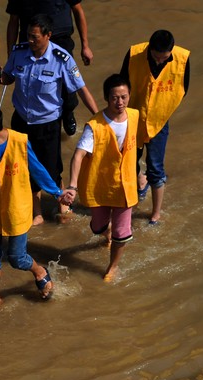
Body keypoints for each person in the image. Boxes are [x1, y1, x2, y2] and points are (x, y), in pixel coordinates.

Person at [0, 12, 98, 225]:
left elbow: (81, 89)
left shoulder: (62, 59)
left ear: (48, 35)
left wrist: (99, 119)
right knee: (25, 166)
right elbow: (9, 77)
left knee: (52, 167)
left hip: (47, 123)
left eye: (35, 37)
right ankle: (37, 212)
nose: (30, 40)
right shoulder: (19, 52)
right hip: (21, 120)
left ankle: (63, 206)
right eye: (28, 35)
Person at [0, 102, 63, 308]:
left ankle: (39, 270)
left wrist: (57, 193)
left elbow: (37, 169)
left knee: (17, 258)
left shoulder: (20, 142)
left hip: (16, 206)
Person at [62, 74, 139, 282]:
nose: (120, 102)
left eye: (124, 97)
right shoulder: (94, 126)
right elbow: (78, 155)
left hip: (125, 186)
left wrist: (142, 173)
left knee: (122, 233)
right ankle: (107, 235)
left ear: (130, 96)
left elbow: (138, 145)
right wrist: (72, 186)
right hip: (101, 185)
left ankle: (111, 267)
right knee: (97, 226)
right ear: (106, 97)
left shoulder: (135, 116)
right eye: (115, 98)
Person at [119, 29, 190, 225]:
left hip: (159, 121)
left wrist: (162, 108)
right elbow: (122, 84)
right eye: (155, 57)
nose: (159, 61)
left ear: (171, 52)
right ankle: (139, 184)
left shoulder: (182, 58)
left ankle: (155, 214)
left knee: (156, 168)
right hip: (133, 117)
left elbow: (183, 88)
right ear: (149, 49)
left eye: (164, 58)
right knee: (129, 164)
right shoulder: (134, 54)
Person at [5, 0, 94, 136]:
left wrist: (85, 45)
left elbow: (78, 10)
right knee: (28, 82)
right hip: (30, 41)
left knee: (68, 85)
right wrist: (10, 53)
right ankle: (25, 116)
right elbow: (13, 20)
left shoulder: (62, 56)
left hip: (60, 39)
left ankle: (68, 112)